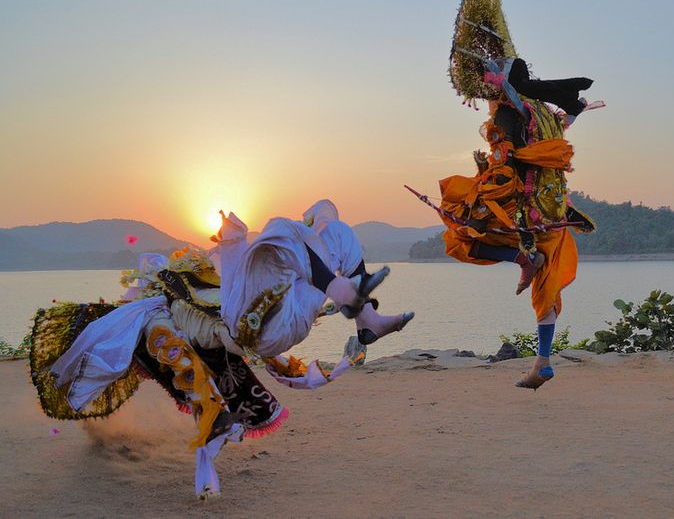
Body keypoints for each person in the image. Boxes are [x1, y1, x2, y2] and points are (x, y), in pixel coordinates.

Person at [30, 199, 413, 497]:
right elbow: (178, 351)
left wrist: (337, 365)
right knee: (287, 231)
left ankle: (368, 321)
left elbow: (280, 367)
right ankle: (355, 305)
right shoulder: (164, 309)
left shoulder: (202, 293)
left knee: (330, 232)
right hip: (258, 328)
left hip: (280, 318)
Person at [437, 0, 600, 389]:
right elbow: (562, 130)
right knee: (547, 282)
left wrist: (486, 163)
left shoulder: (509, 115)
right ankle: (542, 362)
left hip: (525, 210)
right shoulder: (543, 111)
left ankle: (519, 259)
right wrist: (578, 112)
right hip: (555, 209)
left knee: (457, 227)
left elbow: (505, 162)